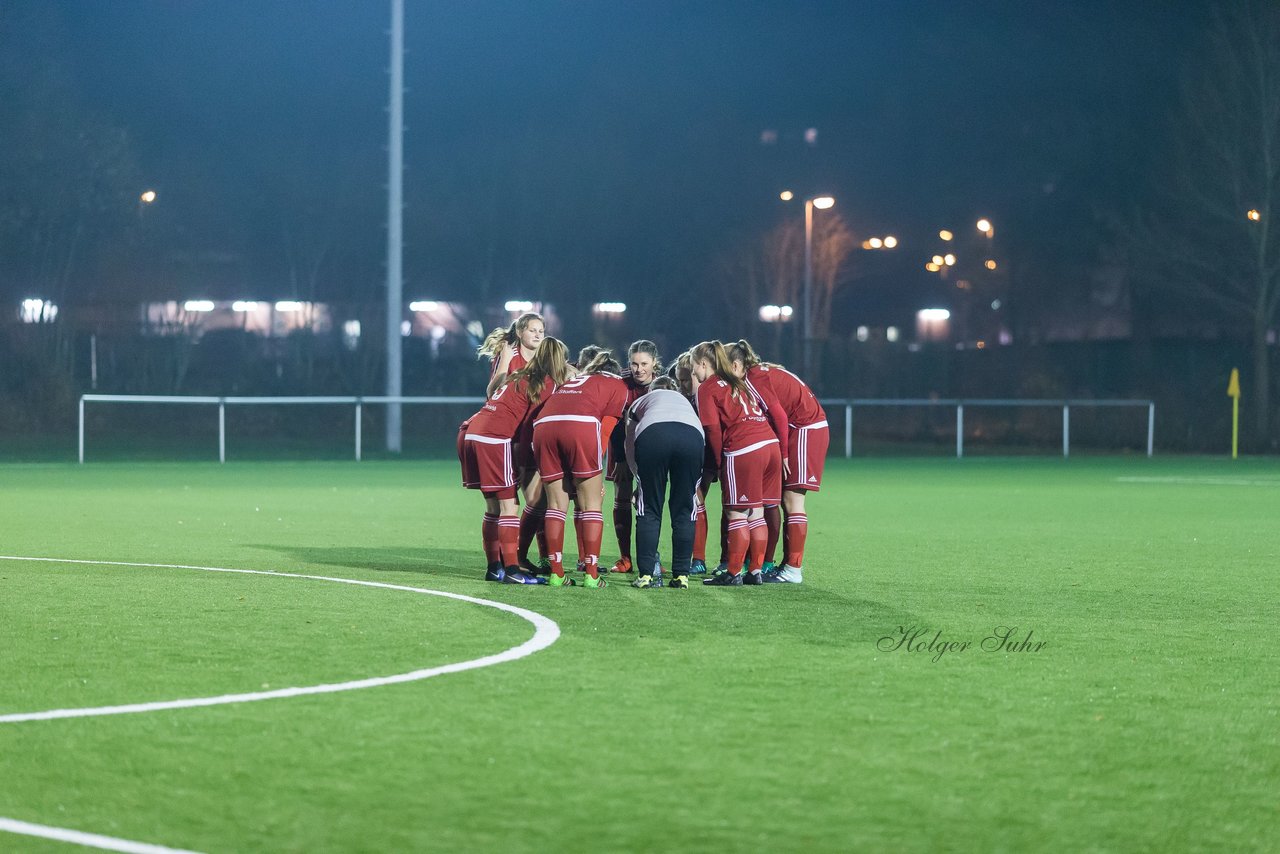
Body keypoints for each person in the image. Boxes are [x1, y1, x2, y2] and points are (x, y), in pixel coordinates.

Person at [459, 337, 570, 584]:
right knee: (510, 506)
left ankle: (494, 568)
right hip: (494, 439)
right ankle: (512, 571)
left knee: (493, 508)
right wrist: (525, 462)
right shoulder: (547, 383)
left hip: (471, 433)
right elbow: (529, 427)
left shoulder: (520, 374)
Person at [727, 339, 828, 584]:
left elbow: (781, 417)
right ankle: (785, 565)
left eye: (724, 367)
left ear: (737, 364)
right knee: (784, 501)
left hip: (805, 429)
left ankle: (794, 569)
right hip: (800, 430)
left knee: (793, 500)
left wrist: (782, 453)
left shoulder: (753, 378)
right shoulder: (758, 373)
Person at [690, 340, 788, 586]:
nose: (693, 373)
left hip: (744, 449)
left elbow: (712, 431)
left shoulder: (707, 388)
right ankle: (755, 571)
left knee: (736, 514)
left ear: (703, 364)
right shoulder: (737, 380)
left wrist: (719, 463)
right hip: (770, 446)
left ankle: (733, 573)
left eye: (694, 367)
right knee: (756, 513)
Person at [532, 350, 630, 588]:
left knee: (556, 506)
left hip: (543, 428)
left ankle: (556, 573)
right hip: (581, 427)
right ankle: (592, 574)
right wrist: (594, 477)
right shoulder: (618, 385)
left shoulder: (574, 381)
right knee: (591, 505)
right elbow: (604, 431)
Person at [624, 375, 704, 589]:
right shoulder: (686, 403)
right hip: (692, 438)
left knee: (649, 507)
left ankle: (647, 575)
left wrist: (637, 478)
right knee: (684, 508)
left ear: (652, 390)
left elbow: (630, 444)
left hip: (654, 435)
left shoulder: (641, 402)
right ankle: (681, 575)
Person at [606, 339, 662, 574]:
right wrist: (619, 458)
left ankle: (650, 558)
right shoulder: (621, 384)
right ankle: (625, 558)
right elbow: (617, 424)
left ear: (654, 363)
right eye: (634, 363)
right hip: (621, 449)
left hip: (652, 449)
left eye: (644, 364)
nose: (639, 369)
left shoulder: (663, 384)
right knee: (621, 498)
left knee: (651, 501)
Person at [477, 312, 546, 397]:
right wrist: (504, 360)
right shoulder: (509, 355)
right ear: (519, 333)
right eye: (532, 331)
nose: (537, 335)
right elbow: (492, 392)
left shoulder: (547, 358)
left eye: (541, 331)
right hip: (506, 409)